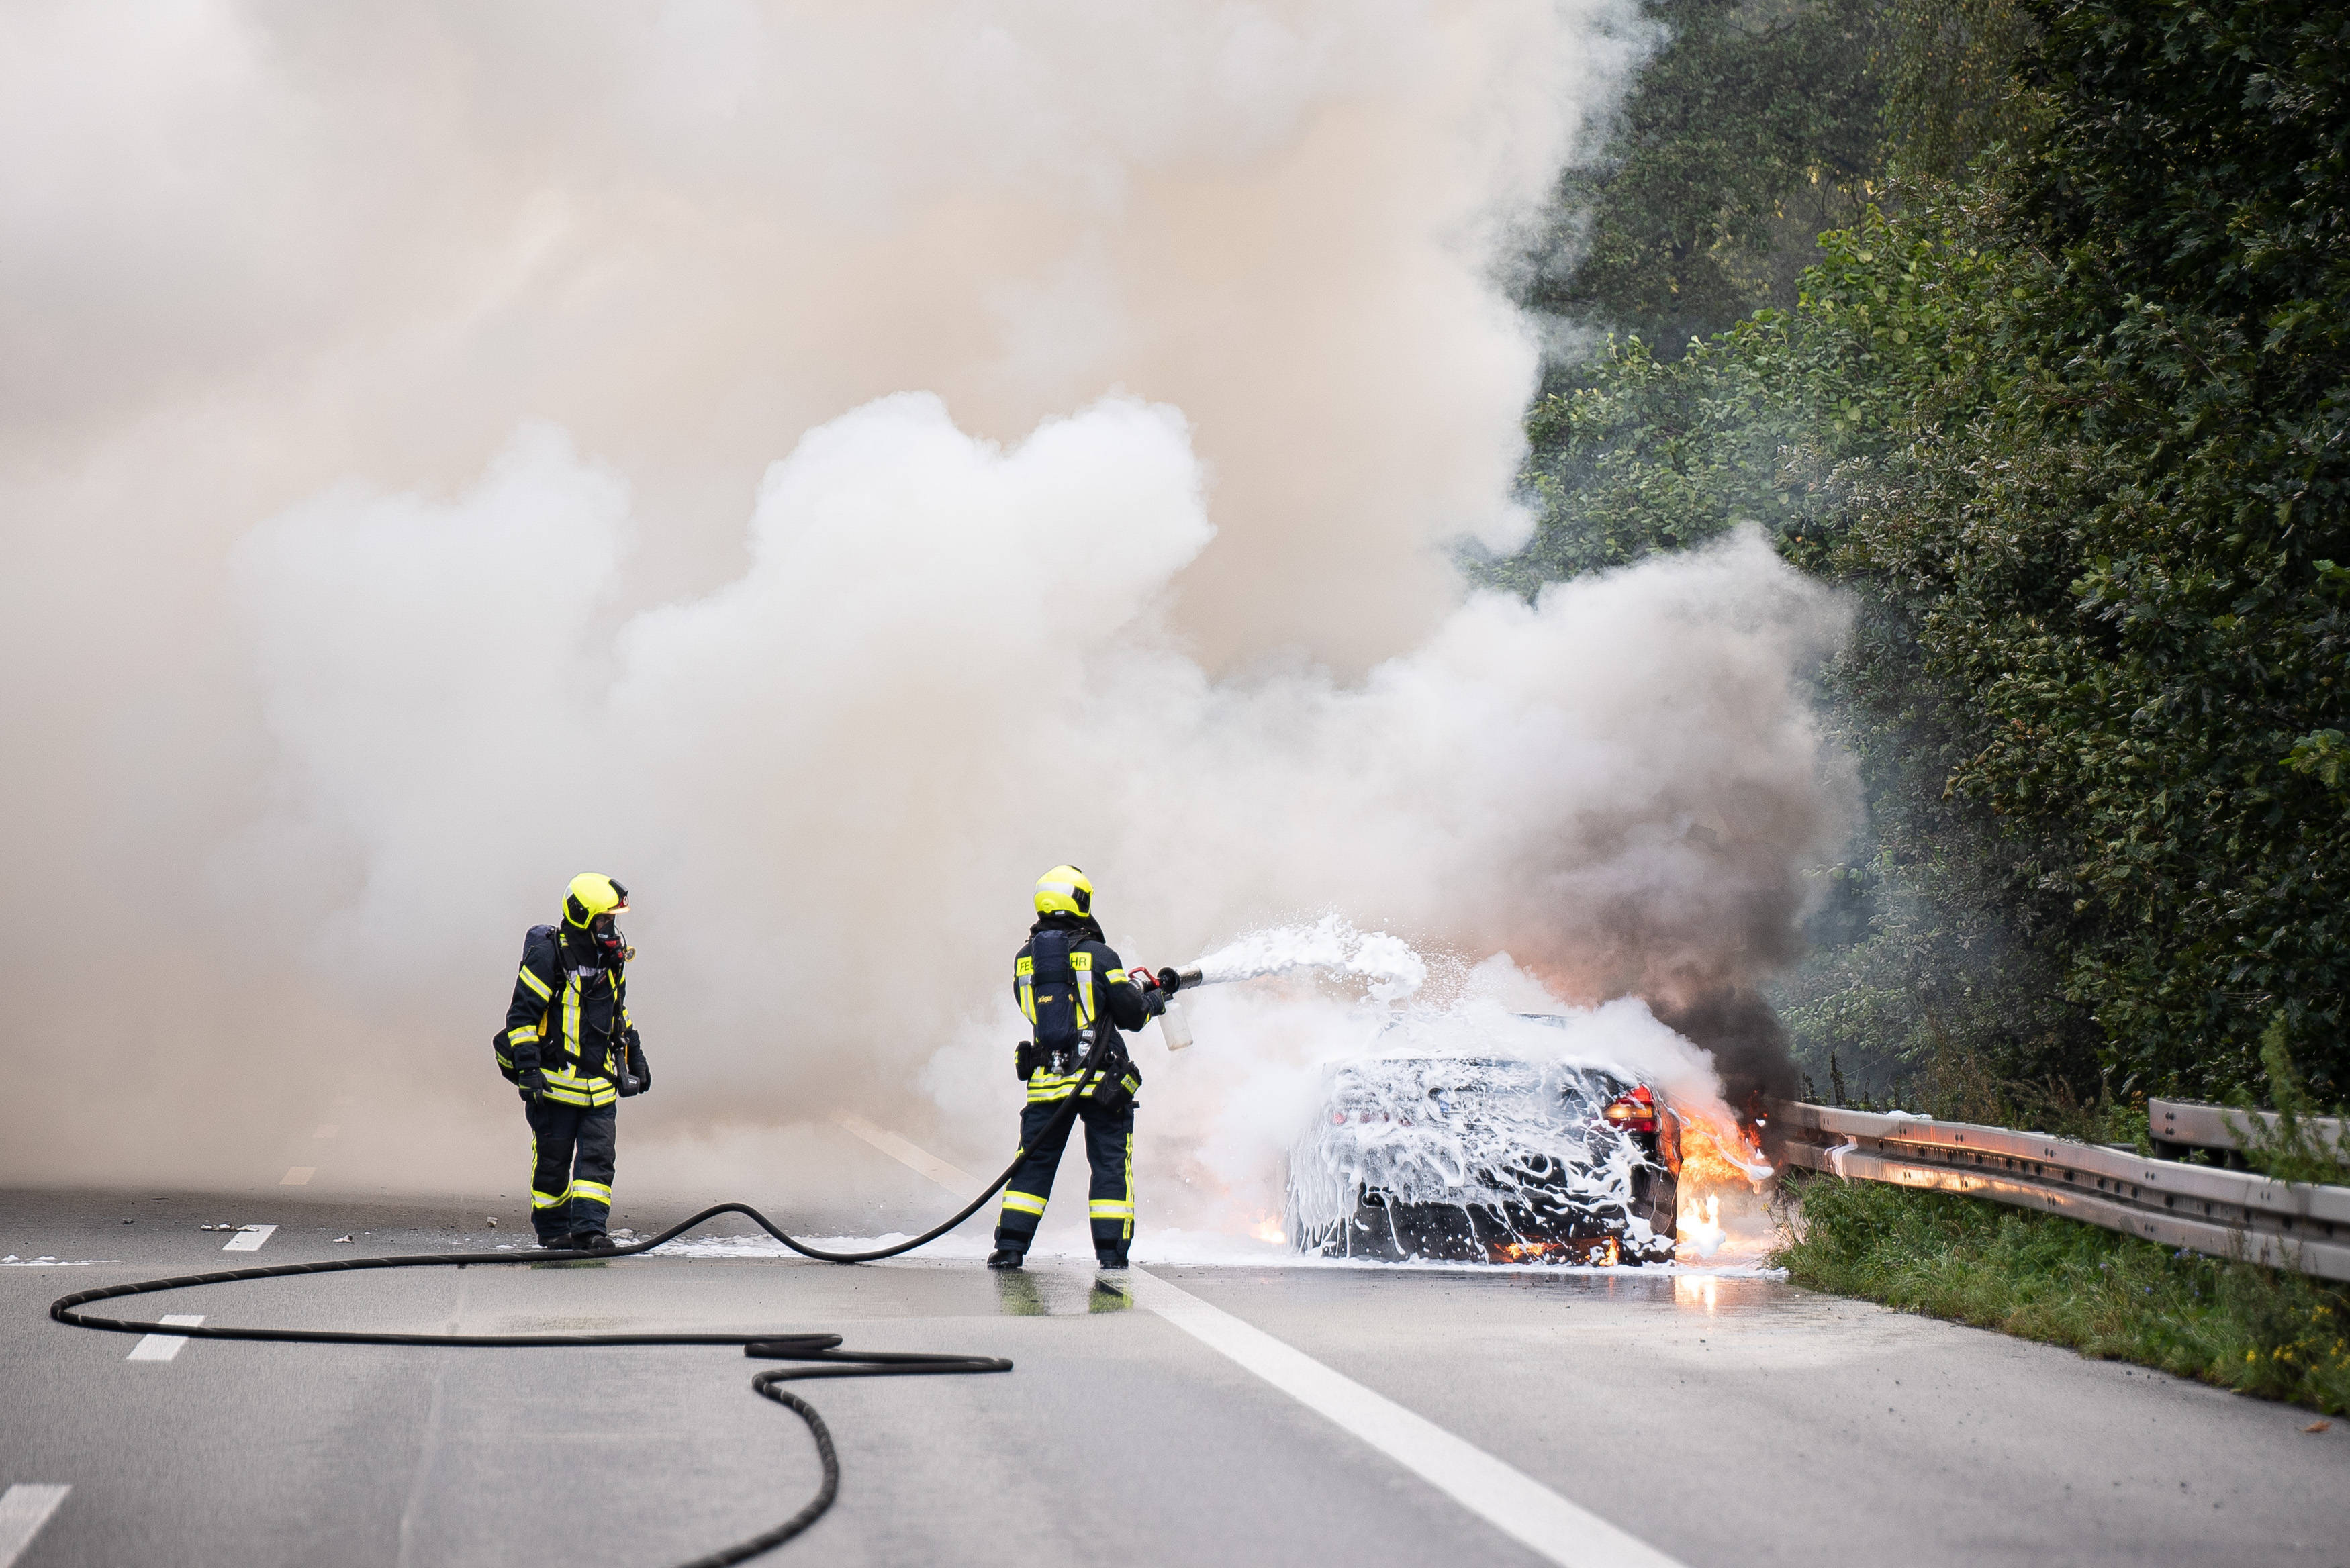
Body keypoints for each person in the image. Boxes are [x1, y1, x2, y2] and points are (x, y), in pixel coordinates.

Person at [988, 865, 1170, 1271]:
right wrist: (1155, 999)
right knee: (1109, 1165)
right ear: (1082, 902)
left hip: (1046, 1084)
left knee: (1032, 1163)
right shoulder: (1102, 956)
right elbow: (1131, 1015)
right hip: (1100, 1083)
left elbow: (1035, 1012)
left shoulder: (1023, 961)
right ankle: (1111, 1254)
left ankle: (1010, 1249)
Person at [496, 872, 651, 1252]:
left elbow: (618, 1012)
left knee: (598, 1164)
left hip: (599, 1088)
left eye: (612, 920)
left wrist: (636, 1054)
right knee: (553, 1164)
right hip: (554, 1085)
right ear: (582, 916)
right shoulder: (549, 955)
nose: (610, 928)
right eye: (604, 919)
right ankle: (553, 1233)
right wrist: (530, 1071)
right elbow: (521, 1018)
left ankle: (590, 1232)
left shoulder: (610, 959)